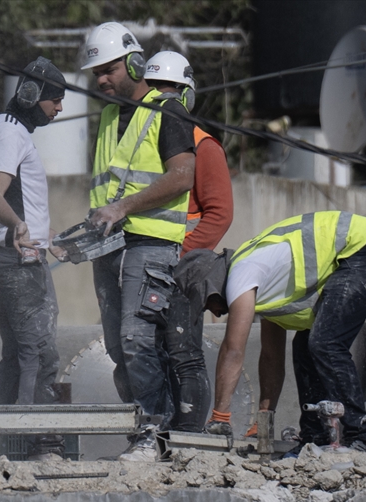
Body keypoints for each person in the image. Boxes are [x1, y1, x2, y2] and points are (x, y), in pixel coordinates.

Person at [183, 211, 366, 451]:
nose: (214, 311)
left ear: (210, 287)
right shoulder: (263, 284)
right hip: (357, 254)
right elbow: (271, 357)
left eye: (206, 303)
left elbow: (233, 350)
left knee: (325, 343)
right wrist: (264, 419)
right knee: (305, 347)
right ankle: (315, 437)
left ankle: (360, 434)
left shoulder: (242, 275)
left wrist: (220, 418)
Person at [81, 22, 198, 461]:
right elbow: (107, 189)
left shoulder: (168, 110)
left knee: (136, 338)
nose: (101, 80)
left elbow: (182, 175)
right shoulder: (110, 116)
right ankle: (144, 433)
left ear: (134, 63)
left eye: (107, 69)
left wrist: (123, 209)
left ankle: (155, 433)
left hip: (150, 244)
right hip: (110, 246)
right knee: (118, 346)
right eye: (95, 73)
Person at [0, 57, 67, 461]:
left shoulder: (4, 130)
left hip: (19, 257)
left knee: (17, 357)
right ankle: (37, 445)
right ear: (32, 96)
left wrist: (45, 239)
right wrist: (19, 227)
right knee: (41, 354)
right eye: (55, 100)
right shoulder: (9, 135)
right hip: (18, 261)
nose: (59, 109)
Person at [145, 49, 234, 432]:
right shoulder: (145, 140)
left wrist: (179, 257)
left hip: (182, 268)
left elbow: (219, 213)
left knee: (184, 355)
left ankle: (188, 438)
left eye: (170, 90)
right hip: (149, 262)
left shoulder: (203, 145)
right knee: (150, 353)